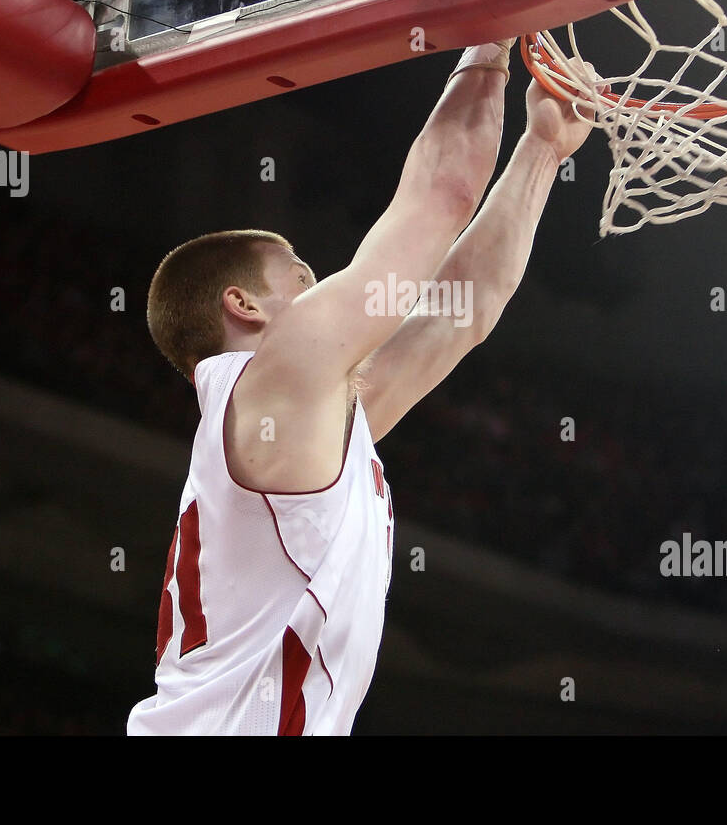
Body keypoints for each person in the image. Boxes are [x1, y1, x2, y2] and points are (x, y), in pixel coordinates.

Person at [127, 39, 593, 734]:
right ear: (244, 306)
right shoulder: (275, 378)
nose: (321, 289)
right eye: (302, 276)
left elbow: (462, 312)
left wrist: (542, 152)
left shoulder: (298, 412)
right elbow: (443, 196)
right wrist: (492, 35)